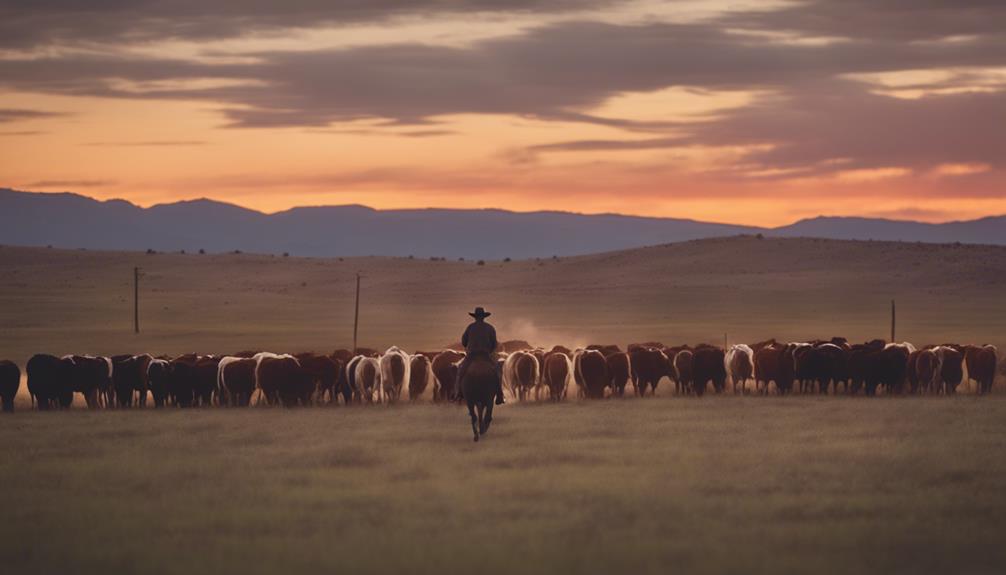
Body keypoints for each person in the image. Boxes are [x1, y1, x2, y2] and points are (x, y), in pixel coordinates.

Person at [455, 307, 505, 405]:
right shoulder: (490, 327)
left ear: (475, 317)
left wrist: (469, 347)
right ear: (483, 317)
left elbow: (464, 341)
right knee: (497, 372)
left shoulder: (470, 327)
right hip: (486, 355)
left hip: (472, 355)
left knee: (461, 370)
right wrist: (489, 351)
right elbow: (494, 344)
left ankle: (459, 392)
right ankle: (499, 395)